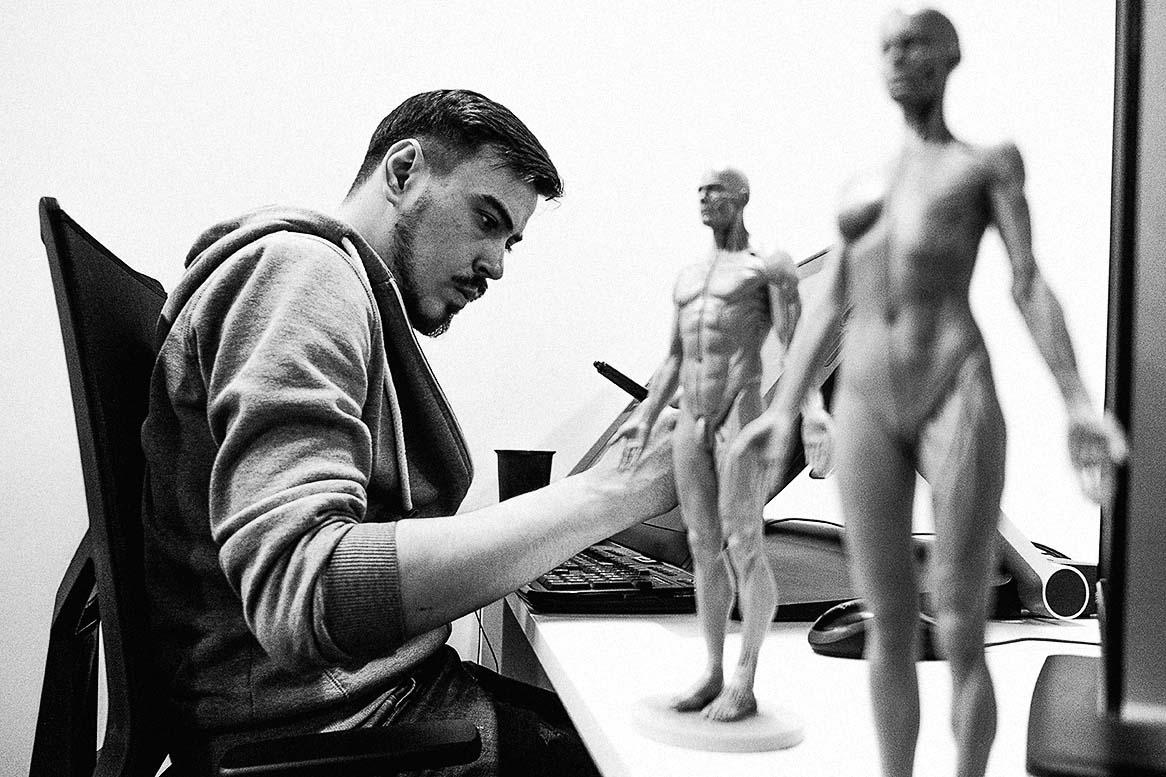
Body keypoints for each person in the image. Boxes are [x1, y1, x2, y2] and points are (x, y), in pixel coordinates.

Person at [140, 89, 677, 775]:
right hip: (329, 732)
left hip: (363, 705)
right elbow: (307, 589)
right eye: (487, 220)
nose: (497, 264)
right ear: (402, 172)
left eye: (510, 241)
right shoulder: (303, 274)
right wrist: (616, 489)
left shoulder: (329, 286)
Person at [730, 10, 1127, 777]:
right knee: (888, 620)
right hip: (867, 398)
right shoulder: (860, 188)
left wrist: (1077, 397)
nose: (898, 58)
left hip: (955, 387)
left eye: (914, 44)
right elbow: (828, 303)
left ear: (950, 56)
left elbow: (1027, 281)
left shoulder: (985, 165)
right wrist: (785, 408)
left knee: (962, 620)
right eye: (888, 47)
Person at [616, 167, 833, 722]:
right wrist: (644, 416)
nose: (704, 198)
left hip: (741, 411)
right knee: (702, 544)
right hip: (691, 415)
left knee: (744, 543)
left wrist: (813, 414)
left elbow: (797, 344)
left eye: (714, 190)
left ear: (740, 198)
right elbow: (674, 357)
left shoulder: (769, 267)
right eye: (700, 190)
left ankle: (746, 676)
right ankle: (713, 670)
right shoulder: (689, 276)